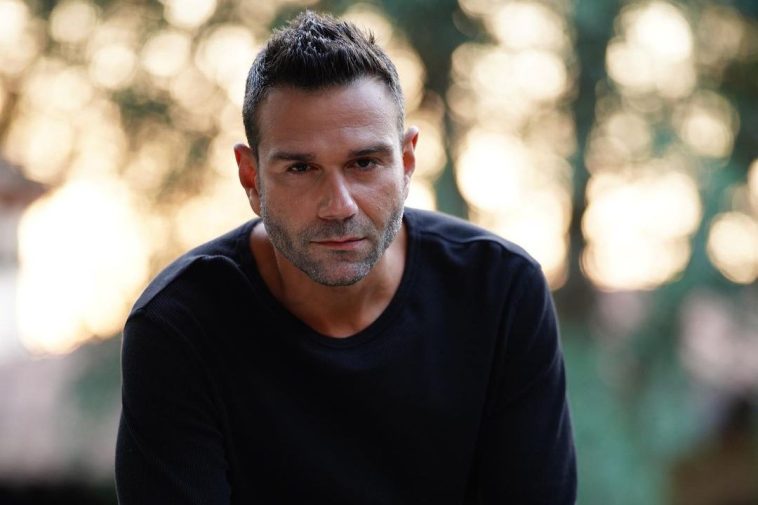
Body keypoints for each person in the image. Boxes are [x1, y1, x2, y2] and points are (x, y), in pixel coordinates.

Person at [115, 11, 576, 505]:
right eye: (301, 168)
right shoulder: (179, 326)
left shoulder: (501, 292)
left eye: (364, 163)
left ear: (406, 163)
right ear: (252, 179)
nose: (339, 206)